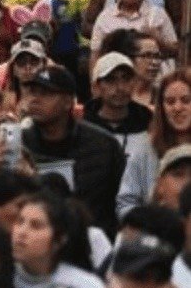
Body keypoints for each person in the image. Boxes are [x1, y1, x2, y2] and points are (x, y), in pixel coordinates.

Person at [20, 66, 126, 234]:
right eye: (32, 92)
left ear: (68, 102)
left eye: (46, 93)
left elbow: (121, 202)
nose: (35, 100)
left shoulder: (104, 146)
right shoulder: (20, 146)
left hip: (92, 240)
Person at [12, 191, 106, 288]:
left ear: (59, 240)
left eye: (36, 226)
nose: (21, 232)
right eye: (19, 221)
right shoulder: (1, 277)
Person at [119, 69, 191, 218]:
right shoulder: (144, 149)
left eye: (186, 100)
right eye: (170, 102)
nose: (177, 108)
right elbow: (125, 203)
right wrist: (149, 223)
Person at [90, 0, 178, 68]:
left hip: (153, 73)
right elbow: (95, 53)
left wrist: (157, 38)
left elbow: (175, 51)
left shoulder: (158, 14)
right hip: (116, 73)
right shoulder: (105, 17)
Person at [84, 52, 151, 147]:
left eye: (126, 79)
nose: (120, 87)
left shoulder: (148, 122)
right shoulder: (84, 127)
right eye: (111, 80)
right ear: (97, 86)